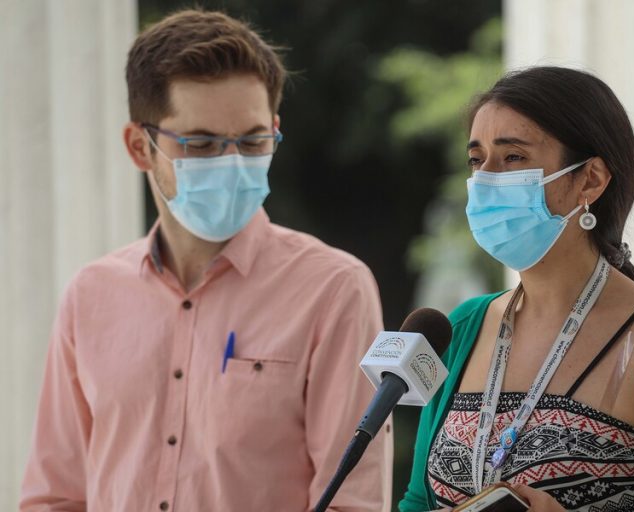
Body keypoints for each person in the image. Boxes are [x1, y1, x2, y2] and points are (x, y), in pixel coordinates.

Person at [20, 9, 392, 512]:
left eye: (253, 140)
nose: (232, 162)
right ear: (139, 146)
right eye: (201, 143)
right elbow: (55, 496)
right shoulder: (90, 295)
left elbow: (352, 501)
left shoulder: (333, 289)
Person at [399, 66, 634, 511]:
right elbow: (419, 501)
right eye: (477, 160)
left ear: (590, 179)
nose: (487, 179)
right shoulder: (461, 328)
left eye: (513, 157)